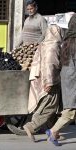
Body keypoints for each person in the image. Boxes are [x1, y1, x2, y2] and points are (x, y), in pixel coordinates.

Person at [23, 24, 63, 142]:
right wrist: (49, 82)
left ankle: (54, 132)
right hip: (49, 81)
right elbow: (49, 65)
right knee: (50, 107)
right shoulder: (53, 46)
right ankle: (31, 126)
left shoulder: (44, 44)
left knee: (47, 106)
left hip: (41, 79)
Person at [46, 13, 76, 146]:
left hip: (68, 79)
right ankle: (53, 131)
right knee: (70, 112)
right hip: (72, 81)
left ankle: (55, 131)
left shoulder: (67, 41)